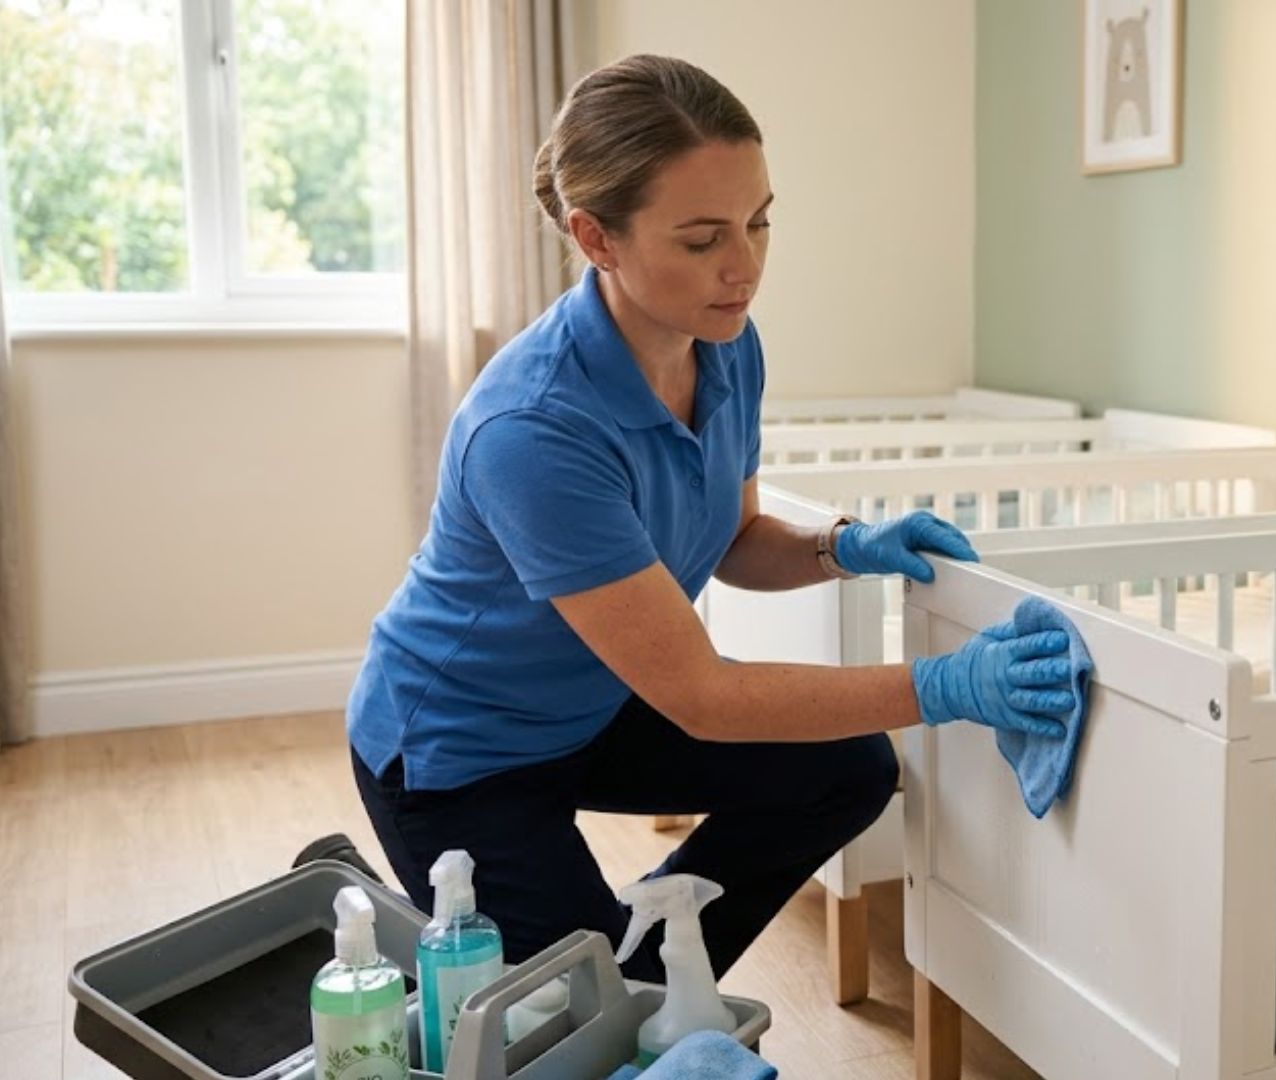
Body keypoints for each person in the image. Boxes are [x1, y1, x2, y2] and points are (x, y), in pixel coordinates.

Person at [344, 54, 1077, 983]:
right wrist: (947, 686)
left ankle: (644, 977)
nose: (746, 266)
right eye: (702, 240)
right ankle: (568, 979)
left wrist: (842, 548)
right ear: (596, 238)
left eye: (760, 221)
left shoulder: (725, 346)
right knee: (577, 1014)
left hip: (594, 706)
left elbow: (729, 540)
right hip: (463, 750)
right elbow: (704, 696)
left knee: (846, 772)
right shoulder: (533, 428)